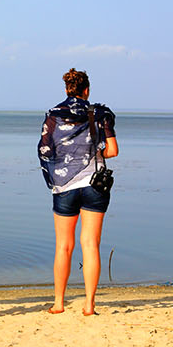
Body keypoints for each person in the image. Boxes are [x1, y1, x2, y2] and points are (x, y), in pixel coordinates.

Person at [38, 68, 117, 316]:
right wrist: (90, 154)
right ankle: (89, 306)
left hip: (64, 188)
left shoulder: (53, 116)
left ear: (66, 90)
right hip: (95, 185)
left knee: (63, 246)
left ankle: (59, 303)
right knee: (90, 245)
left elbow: (44, 152)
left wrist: (62, 166)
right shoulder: (100, 114)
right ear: (87, 90)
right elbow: (112, 150)